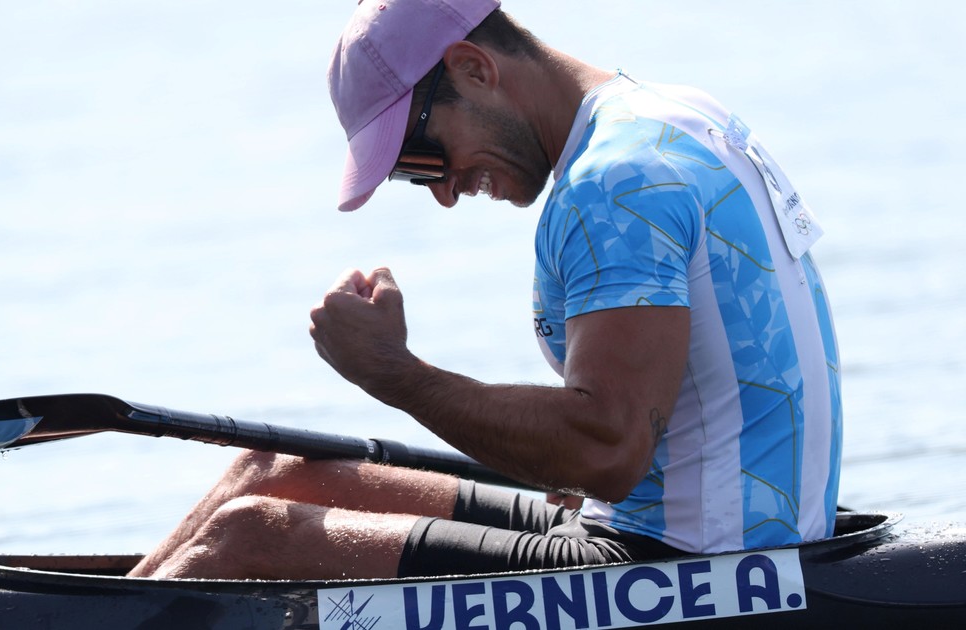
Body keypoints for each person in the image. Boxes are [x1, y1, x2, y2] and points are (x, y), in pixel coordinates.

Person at [129, 0, 842, 580]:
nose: (442, 193)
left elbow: (606, 451)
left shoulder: (613, 186)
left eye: (420, 157)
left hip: (699, 564)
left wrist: (392, 373)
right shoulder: (674, 114)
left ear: (473, 68)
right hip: (675, 523)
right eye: (413, 175)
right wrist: (561, 450)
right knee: (271, 473)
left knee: (248, 536)